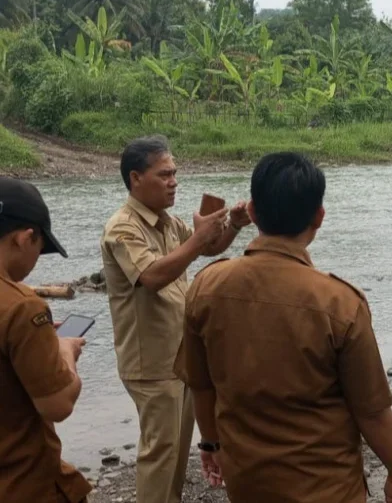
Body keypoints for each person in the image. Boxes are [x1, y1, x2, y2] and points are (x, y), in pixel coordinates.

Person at [173, 152, 392, 503]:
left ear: (252, 211)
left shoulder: (206, 287)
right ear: (319, 217)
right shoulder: (340, 302)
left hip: (248, 483)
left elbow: (201, 385)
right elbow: (371, 410)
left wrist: (211, 444)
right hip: (327, 488)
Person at [100, 136, 252, 503]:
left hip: (179, 357)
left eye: (175, 174)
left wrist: (232, 224)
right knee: (161, 453)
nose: (174, 182)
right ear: (136, 178)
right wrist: (199, 239)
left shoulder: (167, 222)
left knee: (177, 451)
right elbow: (152, 276)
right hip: (150, 362)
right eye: (165, 174)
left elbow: (209, 247)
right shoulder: (123, 227)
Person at [0, 177, 92, 502]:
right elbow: (58, 404)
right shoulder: (23, 306)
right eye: (40, 249)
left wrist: (37, 344)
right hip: (21, 483)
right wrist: (64, 350)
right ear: (25, 238)